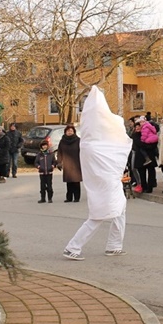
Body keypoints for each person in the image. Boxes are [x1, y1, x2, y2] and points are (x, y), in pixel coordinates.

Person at [63, 86, 131, 261]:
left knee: (119, 211)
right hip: (107, 182)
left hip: (107, 181)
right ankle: (73, 247)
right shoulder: (95, 144)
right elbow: (116, 142)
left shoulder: (88, 141)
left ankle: (114, 245)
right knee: (99, 215)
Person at [57, 124, 82, 202]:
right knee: (69, 182)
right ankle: (69, 198)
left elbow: (83, 152)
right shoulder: (62, 141)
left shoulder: (78, 141)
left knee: (76, 181)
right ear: (65, 132)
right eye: (68, 131)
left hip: (76, 163)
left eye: (71, 131)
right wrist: (59, 162)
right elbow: (59, 152)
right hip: (67, 164)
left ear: (74, 132)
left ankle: (77, 197)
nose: (70, 132)